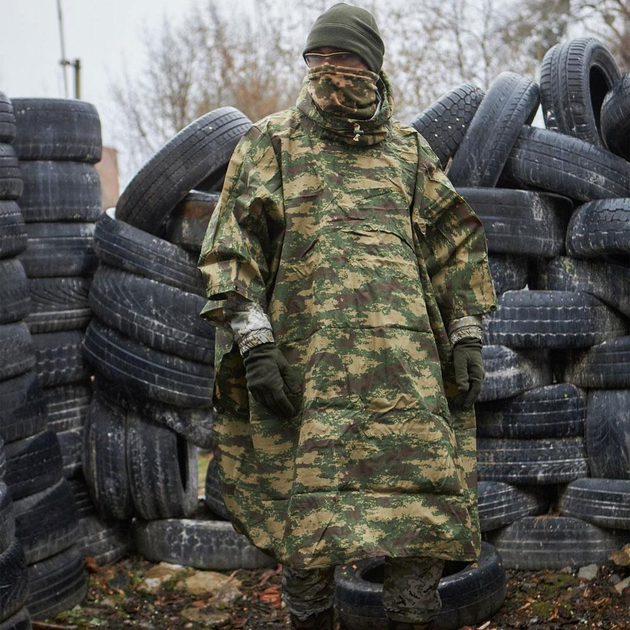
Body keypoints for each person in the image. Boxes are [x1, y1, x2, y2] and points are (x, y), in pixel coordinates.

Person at [198, 3, 498, 628]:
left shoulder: (408, 154)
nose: (330, 70)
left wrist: (466, 332)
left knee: (419, 529)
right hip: (309, 382)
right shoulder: (270, 143)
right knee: (306, 531)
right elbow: (231, 250)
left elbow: (456, 247)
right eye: (318, 59)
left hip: (406, 386)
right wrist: (253, 342)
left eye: (343, 58)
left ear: (373, 66)